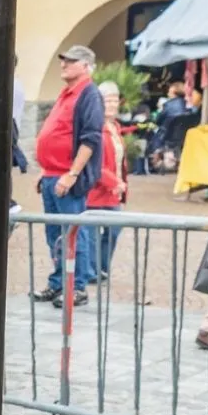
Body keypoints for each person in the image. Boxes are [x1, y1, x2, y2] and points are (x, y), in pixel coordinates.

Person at [31, 44, 104, 308]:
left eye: (71, 61)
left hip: (66, 177)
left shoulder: (88, 94)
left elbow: (91, 138)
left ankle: (77, 286)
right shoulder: (67, 93)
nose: (64, 64)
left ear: (85, 66)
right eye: (64, 60)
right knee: (55, 234)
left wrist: (72, 174)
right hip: (53, 175)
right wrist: (46, 170)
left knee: (73, 232)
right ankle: (59, 282)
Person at [87, 81, 129, 280]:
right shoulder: (96, 128)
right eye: (107, 101)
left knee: (113, 231)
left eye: (115, 100)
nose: (112, 105)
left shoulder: (115, 128)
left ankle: (101, 267)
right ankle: (95, 270)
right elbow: (97, 164)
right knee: (95, 234)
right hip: (97, 191)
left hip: (113, 193)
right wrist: (115, 183)